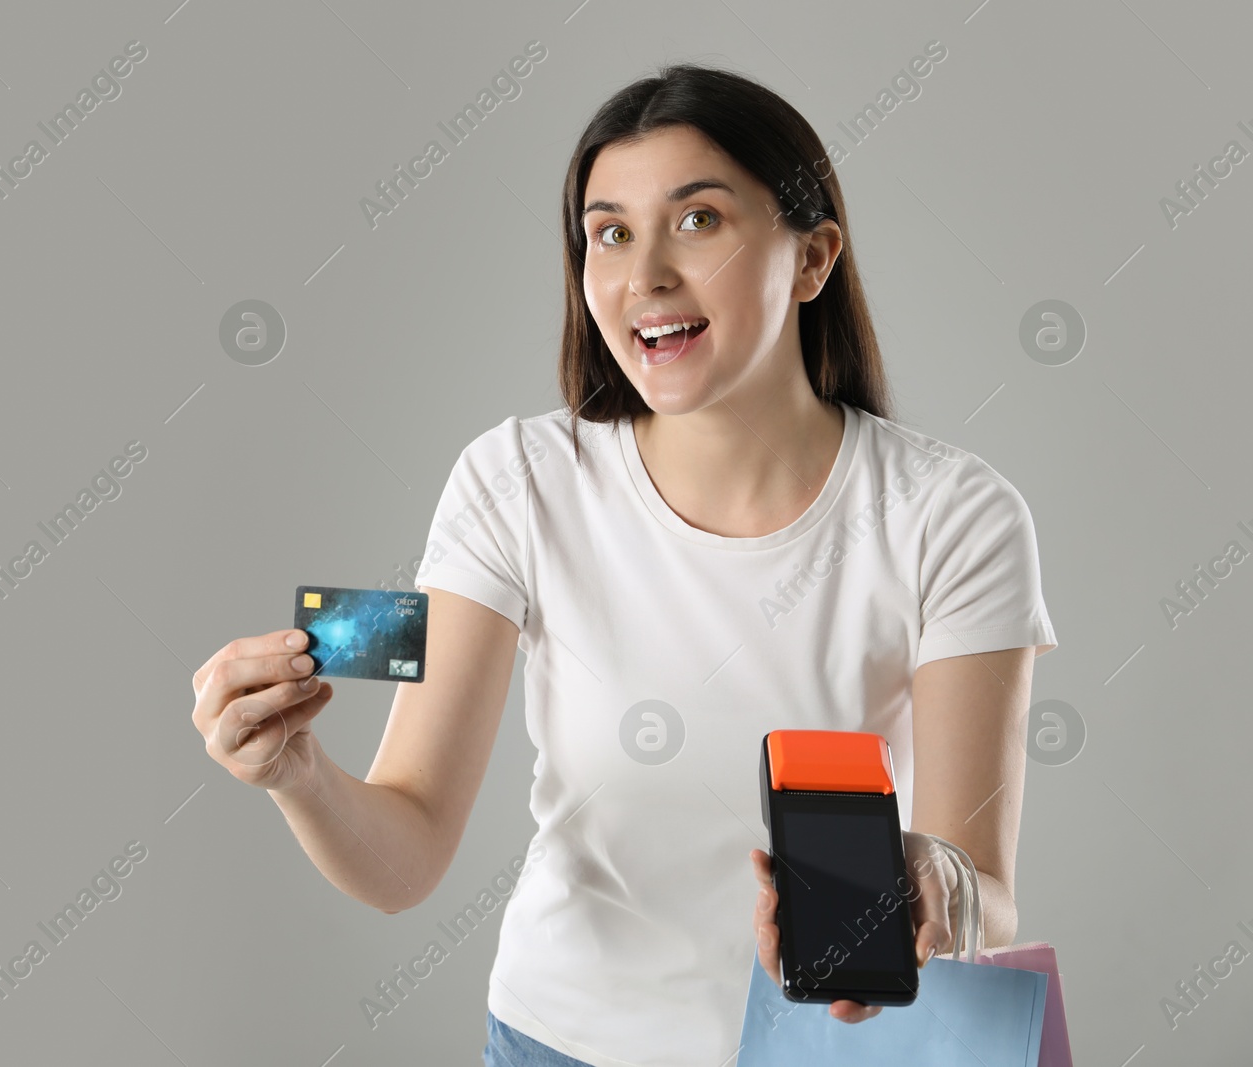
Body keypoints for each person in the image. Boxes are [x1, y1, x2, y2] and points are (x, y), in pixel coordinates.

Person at [191, 63, 1057, 1067]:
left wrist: (933, 888)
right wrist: (298, 773)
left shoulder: (953, 514)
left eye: (697, 220)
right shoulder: (515, 480)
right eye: (608, 231)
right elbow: (406, 852)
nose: (643, 272)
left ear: (812, 256)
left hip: (829, 1047)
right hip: (559, 1041)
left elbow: (983, 886)